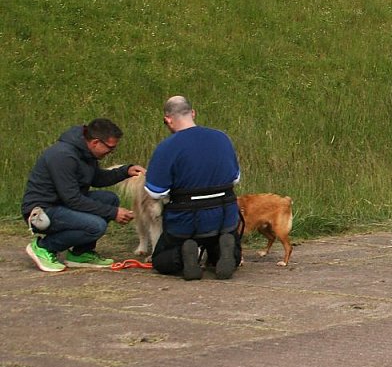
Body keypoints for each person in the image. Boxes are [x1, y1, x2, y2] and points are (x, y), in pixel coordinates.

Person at [22, 118, 142, 272]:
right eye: (110, 148)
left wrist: (126, 171)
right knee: (96, 226)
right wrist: (113, 213)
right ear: (95, 142)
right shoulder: (63, 156)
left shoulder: (86, 152)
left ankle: (81, 253)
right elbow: (73, 199)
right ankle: (43, 247)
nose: (111, 152)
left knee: (109, 199)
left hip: (62, 203)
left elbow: (97, 178)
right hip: (43, 210)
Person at [144, 96, 242, 281]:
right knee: (223, 242)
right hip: (223, 217)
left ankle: (183, 254)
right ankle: (224, 252)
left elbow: (156, 191)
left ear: (168, 120)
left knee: (161, 261)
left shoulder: (166, 147)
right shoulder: (222, 138)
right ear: (193, 113)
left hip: (185, 220)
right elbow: (235, 178)